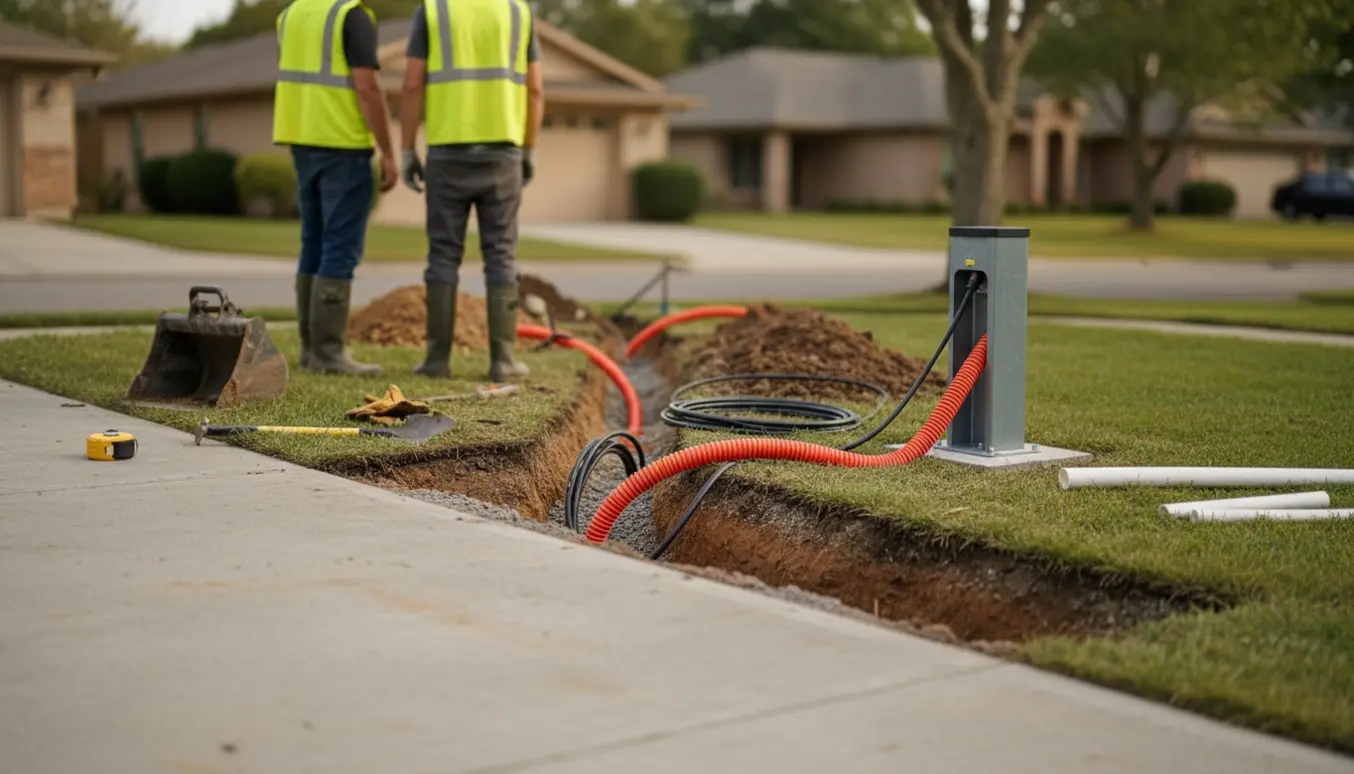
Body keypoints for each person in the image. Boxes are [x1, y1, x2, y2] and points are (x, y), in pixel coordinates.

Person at [397, 0, 544, 382]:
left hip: (447, 153)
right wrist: (529, 149)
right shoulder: (517, 11)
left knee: (443, 255)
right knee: (501, 254)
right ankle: (503, 361)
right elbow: (536, 89)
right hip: (503, 154)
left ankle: (436, 360)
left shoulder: (433, 10)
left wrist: (408, 148)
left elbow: (412, 83)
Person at [273, 0, 398, 375]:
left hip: (302, 141)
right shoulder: (352, 16)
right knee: (339, 247)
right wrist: (389, 152)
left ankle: (312, 350)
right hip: (343, 144)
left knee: (313, 242)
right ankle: (329, 353)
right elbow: (367, 87)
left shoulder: (291, 15)